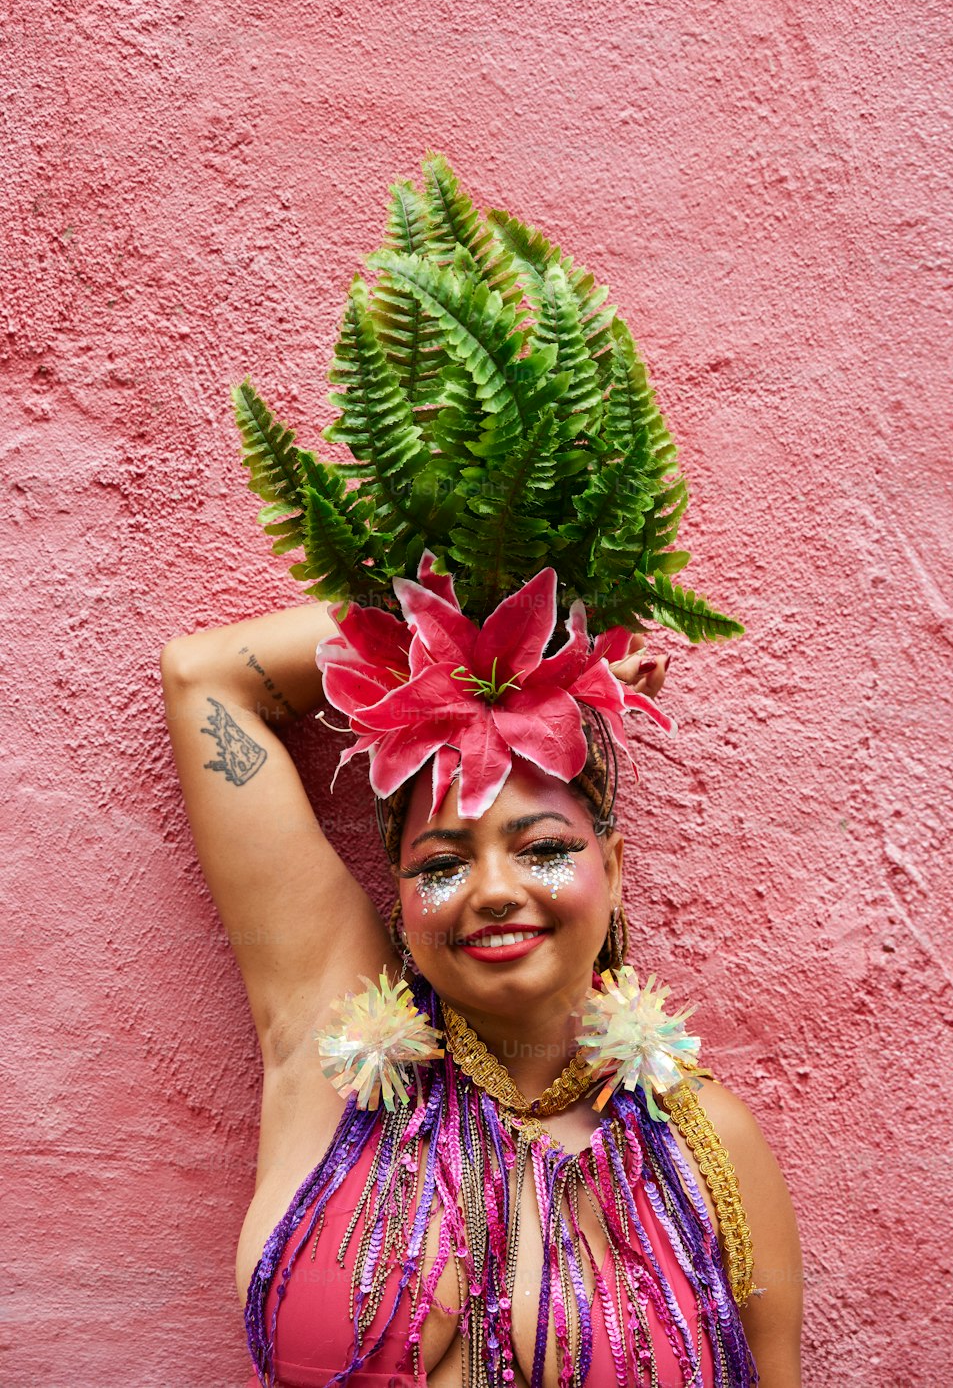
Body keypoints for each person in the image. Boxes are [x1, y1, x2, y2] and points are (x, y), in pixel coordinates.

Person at [161, 153, 802, 1386]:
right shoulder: (330, 1047)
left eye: (545, 845)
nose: (494, 886)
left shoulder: (702, 1145)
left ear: (611, 866)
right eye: (441, 860)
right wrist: (485, 637)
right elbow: (210, 678)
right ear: (395, 893)